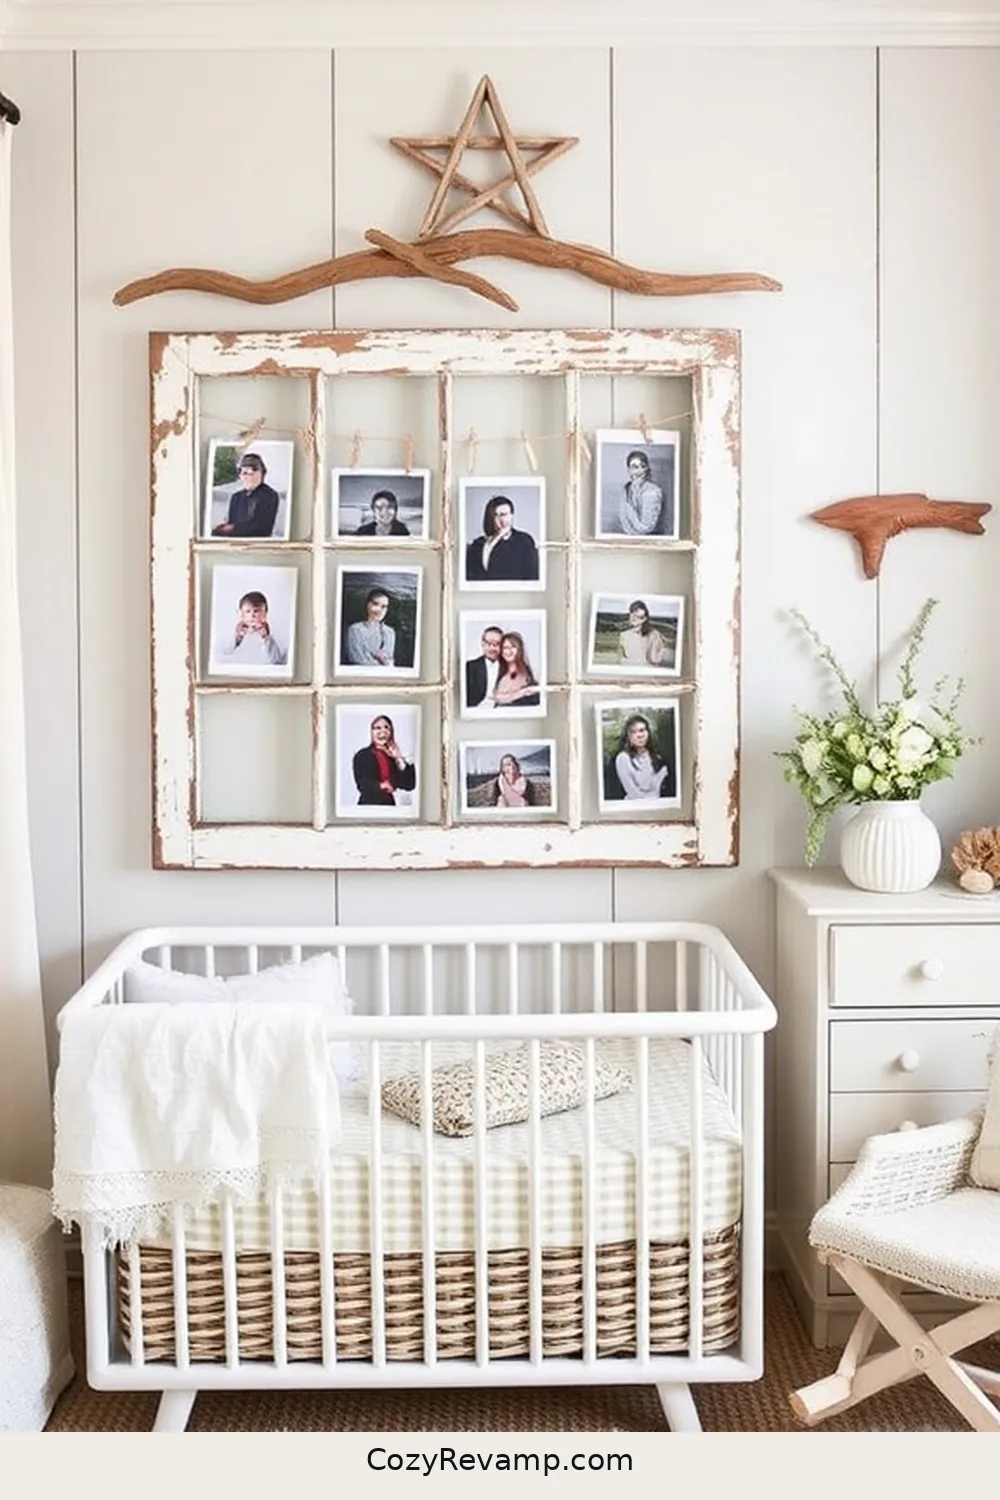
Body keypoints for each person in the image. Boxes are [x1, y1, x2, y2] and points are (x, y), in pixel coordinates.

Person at [465, 495, 539, 583]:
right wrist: (493, 542)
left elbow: (532, 578)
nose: (500, 521)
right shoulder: (477, 545)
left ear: (512, 516)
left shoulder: (524, 541)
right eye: (495, 515)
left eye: (503, 515)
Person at [352, 714, 417, 807]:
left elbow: (409, 784)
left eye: (387, 727)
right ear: (371, 732)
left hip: (389, 806)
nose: (383, 731)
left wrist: (398, 757)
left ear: (391, 732)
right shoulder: (362, 755)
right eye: (378, 728)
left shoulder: (393, 757)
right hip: (368, 805)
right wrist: (381, 785)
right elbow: (362, 785)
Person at [212, 452, 280, 538]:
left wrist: (232, 528)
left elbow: (261, 527)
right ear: (240, 475)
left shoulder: (270, 495)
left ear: (263, 473)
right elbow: (231, 522)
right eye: (245, 473)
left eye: (254, 471)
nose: (249, 476)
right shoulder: (236, 497)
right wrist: (224, 529)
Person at [610, 712, 673, 800]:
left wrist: (660, 776)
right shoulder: (623, 759)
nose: (639, 735)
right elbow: (633, 794)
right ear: (628, 736)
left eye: (642, 730)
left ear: (648, 733)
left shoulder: (657, 758)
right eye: (634, 732)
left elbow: (659, 791)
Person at [221, 590, 287, 666]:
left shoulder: (275, 634)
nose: (252, 615)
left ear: (265, 614)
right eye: (248, 611)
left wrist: (266, 638)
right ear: (242, 615)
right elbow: (223, 653)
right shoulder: (236, 632)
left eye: (256, 611)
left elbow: (278, 661)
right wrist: (237, 638)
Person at [345, 587, 395, 667]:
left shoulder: (389, 632)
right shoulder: (355, 629)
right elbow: (357, 659)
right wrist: (381, 660)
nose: (379, 610)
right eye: (375, 604)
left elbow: (389, 661)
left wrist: (385, 660)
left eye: (383, 606)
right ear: (368, 605)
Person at [618, 450, 664, 537]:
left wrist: (629, 510)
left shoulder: (653, 492)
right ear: (629, 470)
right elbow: (624, 521)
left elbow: (645, 528)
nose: (639, 471)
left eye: (643, 466)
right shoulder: (626, 489)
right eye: (635, 467)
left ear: (647, 469)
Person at [491, 631, 540, 709]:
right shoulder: (497, 672)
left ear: (519, 649)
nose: (509, 651)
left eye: (513, 647)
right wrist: (523, 692)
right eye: (505, 648)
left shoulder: (527, 674)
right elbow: (496, 698)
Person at [618, 599, 669, 668]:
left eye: (637, 615)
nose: (633, 616)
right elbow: (622, 658)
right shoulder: (624, 635)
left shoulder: (654, 634)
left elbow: (655, 659)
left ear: (644, 618)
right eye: (632, 612)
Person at [464, 624, 504, 709]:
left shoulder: (509, 666)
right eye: (488, 643)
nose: (492, 648)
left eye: (496, 644)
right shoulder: (470, 667)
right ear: (482, 643)